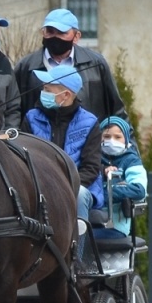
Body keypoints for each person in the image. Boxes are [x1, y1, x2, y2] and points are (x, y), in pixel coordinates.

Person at [14, 8, 126, 122]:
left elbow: (116, 109)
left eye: (62, 33)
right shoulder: (26, 67)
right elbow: (14, 110)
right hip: (38, 138)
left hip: (88, 137)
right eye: (50, 31)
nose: (55, 37)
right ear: (43, 32)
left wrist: (125, 138)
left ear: (76, 36)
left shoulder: (95, 63)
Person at [23, 64, 102, 223]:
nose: (42, 93)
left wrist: (63, 186)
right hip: (38, 184)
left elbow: (91, 168)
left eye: (47, 90)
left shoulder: (90, 123)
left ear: (65, 95)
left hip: (77, 186)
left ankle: (78, 247)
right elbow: (22, 157)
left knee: (79, 195)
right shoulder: (31, 117)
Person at [89, 116, 148, 240]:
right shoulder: (93, 159)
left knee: (83, 238)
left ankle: (77, 260)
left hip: (115, 227)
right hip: (89, 221)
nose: (111, 141)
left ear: (126, 139)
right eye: (106, 136)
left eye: (117, 137)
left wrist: (108, 193)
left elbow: (139, 190)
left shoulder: (131, 161)